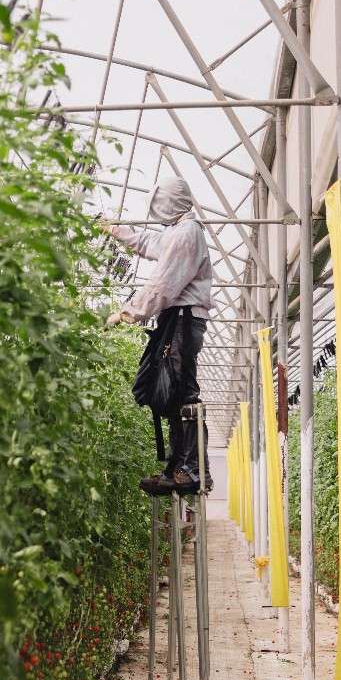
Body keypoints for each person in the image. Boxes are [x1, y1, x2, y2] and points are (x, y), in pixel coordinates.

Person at [100, 176, 214, 495]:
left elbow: (162, 287)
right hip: (178, 318)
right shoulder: (177, 232)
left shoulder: (188, 234)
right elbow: (148, 242)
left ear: (169, 202)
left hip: (183, 317)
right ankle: (180, 467)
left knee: (182, 391)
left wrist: (128, 312)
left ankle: (192, 469)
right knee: (171, 392)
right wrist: (114, 229)